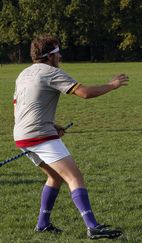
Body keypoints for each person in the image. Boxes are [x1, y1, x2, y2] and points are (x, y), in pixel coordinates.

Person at [13, 35, 128, 239]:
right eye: (57, 52)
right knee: (74, 177)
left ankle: (43, 224)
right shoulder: (51, 72)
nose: (60, 56)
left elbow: (21, 105)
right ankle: (92, 227)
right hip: (39, 135)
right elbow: (85, 93)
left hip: (22, 134)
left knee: (55, 177)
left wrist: (52, 125)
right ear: (49, 56)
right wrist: (112, 85)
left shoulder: (24, 74)